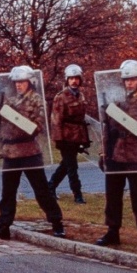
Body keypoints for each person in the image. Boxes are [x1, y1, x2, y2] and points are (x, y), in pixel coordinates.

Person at [0, 66, 66, 239]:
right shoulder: (9, 100)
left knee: (41, 190)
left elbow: (37, 127)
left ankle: (57, 222)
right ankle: (4, 225)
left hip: (29, 151)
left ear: (30, 82)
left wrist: (14, 116)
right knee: (8, 193)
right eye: (16, 82)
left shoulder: (37, 101)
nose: (18, 85)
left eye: (22, 82)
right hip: (10, 152)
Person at [96, 60, 137, 252]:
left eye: (133, 79)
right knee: (112, 194)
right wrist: (103, 151)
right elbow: (107, 126)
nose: (129, 83)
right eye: (126, 79)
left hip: (135, 151)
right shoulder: (117, 97)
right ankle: (113, 231)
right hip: (115, 150)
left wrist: (118, 116)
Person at [48, 64, 89, 204]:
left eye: (76, 78)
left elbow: (81, 119)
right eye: (71, 78)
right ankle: (78, 194)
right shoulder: (61, 97)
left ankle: (50, 186)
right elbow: (56, 120)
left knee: (66, 164)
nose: (74, 81)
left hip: (77, 136)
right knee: (72, 166)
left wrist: (84, 138)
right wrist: (58, 139)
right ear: (67, 80)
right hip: (65, 137)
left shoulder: (81, 96)